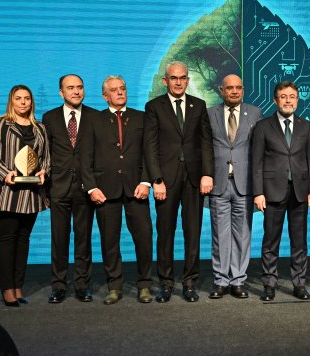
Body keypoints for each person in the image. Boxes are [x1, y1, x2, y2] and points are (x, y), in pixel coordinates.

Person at [143, 61, 214, 303]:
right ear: (165, 81)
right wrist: (156, 180)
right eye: (173, 78)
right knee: (165, 232)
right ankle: (165, 283)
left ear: (187, 80)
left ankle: (190, 282)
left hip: (194, 179)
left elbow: (206, 142)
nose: (178, 82)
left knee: (192, 231)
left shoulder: (199, 105)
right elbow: (150, 146)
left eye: (182, 78)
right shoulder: (154, 107)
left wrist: (208, 174)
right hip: (167, 179)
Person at [87, 76, 154, 304]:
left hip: (137, 188)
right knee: (109, 240)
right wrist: (91, 188)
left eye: (122, 89)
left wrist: (146, 182)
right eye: (114, 90)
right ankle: (114, 286)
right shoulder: (94, 120)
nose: (120, 93)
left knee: (144, 238)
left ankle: (144, 285)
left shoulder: (141, 118)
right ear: (105, 96)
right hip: (105, 190)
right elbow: (85, 158)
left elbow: (150, 154)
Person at [0, 84, 50, 307]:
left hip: (31, 194)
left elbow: (46, 157)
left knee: (24, 240)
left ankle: (18, 285)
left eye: (27, 99)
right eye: (18, 98)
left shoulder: (39, 128)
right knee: (7, 239)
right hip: (7, 192)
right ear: (11, 101)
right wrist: (4, 173)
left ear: (32, 102)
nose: (23, 102)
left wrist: (44, 172)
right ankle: (6, 287)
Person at [251, 81, 310, 301]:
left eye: (292, 96)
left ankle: (299, 283)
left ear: (297, 100)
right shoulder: (263, 127)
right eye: (283, 96)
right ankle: (269, 284)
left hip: (300, 191)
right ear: (275, 100)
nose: (288, 100)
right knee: (271, 240)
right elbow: (257, 162)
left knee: (299, 241)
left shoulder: (306, 126)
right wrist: (258, 192)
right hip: (272, 191)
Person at [41, 74, 96, 303]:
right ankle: (59, 286)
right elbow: (45, 153)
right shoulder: (50, 117)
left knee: (83, 239)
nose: (76, 91)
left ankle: (82, 285)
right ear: (61, 92)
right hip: (58, 187)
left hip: (85, 187)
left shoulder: (95, 116)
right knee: (59, 239)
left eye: (80, 87)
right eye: (70, 88)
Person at [206, 74, 261, 300]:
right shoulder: (210, 113)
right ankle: (221, 280)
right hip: (218, 183)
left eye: (238, 87)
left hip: (245, 184)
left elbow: (259, 151)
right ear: (221, 90)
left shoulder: (255, 113)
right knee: (220, 235)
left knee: (242, 235)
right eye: (230, 88)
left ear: (244, 89)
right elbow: (205, 148)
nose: (234, 91)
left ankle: (238, 280)